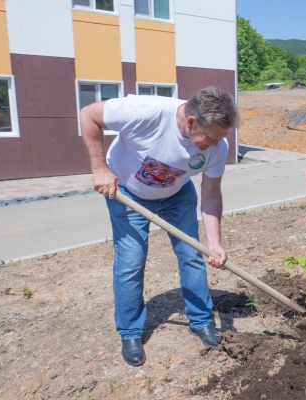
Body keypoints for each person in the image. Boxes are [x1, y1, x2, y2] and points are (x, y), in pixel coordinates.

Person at [80, 87, 239, 366]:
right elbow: (88, 115)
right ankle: (130, 332)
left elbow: (211, 194)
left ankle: (201, 321)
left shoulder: (218, 146)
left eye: (220, 138)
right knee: (131, 262)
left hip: (178, 195)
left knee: (192, 255)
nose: (215, 144)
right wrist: (99, 169)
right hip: (127, 193)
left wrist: (214, 242)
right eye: (210, 137)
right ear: (191, 122)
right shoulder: (145, 112)